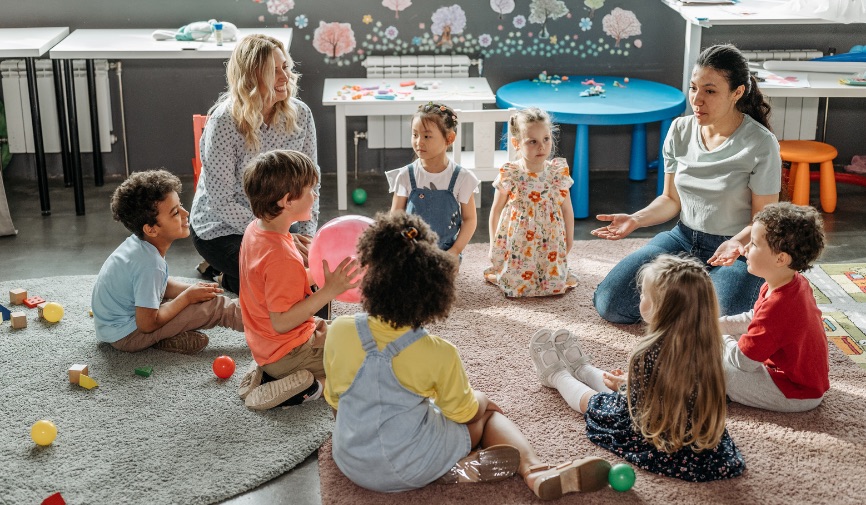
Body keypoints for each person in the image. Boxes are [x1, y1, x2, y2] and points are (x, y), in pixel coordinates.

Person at [323, 212, 611, 500]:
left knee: (413, 406)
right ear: (434, 295)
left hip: (351, 461)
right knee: (485, 417)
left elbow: (336, 399)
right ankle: (536, 471)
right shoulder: (438, 352)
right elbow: (463, 412)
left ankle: (451, 466)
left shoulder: (339, 330)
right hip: (412, 465)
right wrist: (483, 401)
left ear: (368, 277)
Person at [592, 43, 781, 324]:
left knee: (720, 323)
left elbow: (763, 219)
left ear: (737, 92)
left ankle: (692, 295)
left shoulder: (761, 143)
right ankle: (692, 293)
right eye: (693, 88)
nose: (697, 99)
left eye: (710, 90)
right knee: (611, 303)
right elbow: (670, 200)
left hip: (735, 249)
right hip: (682, 237)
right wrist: (635, 219)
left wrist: (736, 243)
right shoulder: (680, 130)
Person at [529, 254, 745, 482]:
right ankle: (582, 368)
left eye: (644, 294)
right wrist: (631, 383)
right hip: (700, 438)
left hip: (662, 435)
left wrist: (627, 386)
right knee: (617, 388)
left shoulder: (648, 352)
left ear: (659, 308)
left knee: (596, 402)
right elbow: (672, 385)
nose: (640, 296)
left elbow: (638, 405)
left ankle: (557, 375)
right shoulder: (712, 343)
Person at [189, 34, 320, 294]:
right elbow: (221, 201)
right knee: (280, 277)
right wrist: (277, 236)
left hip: (279, 221)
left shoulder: (301, 114)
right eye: (274, 70)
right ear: (251, 77)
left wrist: (307, 238)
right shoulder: (224, 121)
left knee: (302, 273)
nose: (285, 77)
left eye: (286, 67)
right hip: (222, 228)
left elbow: (311, 183)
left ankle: (229, 274)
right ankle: (225, 275)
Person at [237, 150, 361, 411]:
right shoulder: (280, 255)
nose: (314, 196)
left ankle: (267, 372)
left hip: (268, 343)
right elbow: (282, 322)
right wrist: (328, 291)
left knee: (351, 330)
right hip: (288, 350)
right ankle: (308, 386)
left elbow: (277, 286)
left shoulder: (256, 230)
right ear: (287, 201)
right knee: (363, 365)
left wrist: (318, 276)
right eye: (309, 190)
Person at [92, 170, 243, 354]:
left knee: (195, 298)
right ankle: (270, 327)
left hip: (114, 328)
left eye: (180, 206)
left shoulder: (140, 245)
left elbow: (160, 283)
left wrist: (190, 290)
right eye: (175, 212)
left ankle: (167, 338)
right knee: (215, 307)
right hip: (128, 335)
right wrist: (187, 297)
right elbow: (147, 324)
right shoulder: (150, 265)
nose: (185, 213)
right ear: (151, 229)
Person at [720, 202, 829, 412]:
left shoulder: (779, 305)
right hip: (793, 375)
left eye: (753, 244)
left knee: (721, 372)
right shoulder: (789, 282)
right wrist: (718, 325)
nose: (745, 249)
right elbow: (754, 318)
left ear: (780, 258)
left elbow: (742, 362)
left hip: (796, 392)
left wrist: (716, 336)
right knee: (727, 341)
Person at [485, 107, 576, 297]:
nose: (541, 147)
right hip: (519, 243)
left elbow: (567, 209)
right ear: (516, 143)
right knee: (516, 282)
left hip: (550, 241)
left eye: (546, 139)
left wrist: (569, 239)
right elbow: (496, 210)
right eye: (532, 141)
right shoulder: (511, 173)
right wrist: (494, 244)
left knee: (552, 281)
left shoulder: (557, 173)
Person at [386, 102, 478, 257]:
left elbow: (469, 219)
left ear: (449, 138)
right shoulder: (405, 175)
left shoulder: (463, 178)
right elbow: (395, 218)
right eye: (415, 134)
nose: (419, 142)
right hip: (411, 252)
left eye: (427, 136)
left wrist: (455, 251)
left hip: (446, 254)